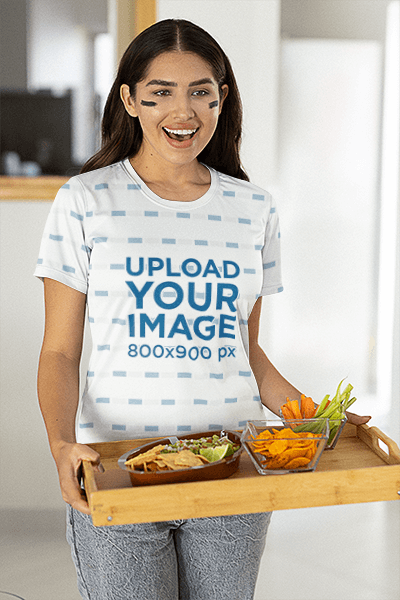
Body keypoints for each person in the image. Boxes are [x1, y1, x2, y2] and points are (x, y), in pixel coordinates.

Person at [35, 19, 370, 600]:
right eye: (160, 91)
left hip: (233, 468)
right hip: (120, 469)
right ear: (130, 101)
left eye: (201, 92)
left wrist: (317, 420)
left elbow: (246, 352)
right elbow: (60, 351)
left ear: (221, 101)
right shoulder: (85, 201)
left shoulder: (253, 208)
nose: (182, 111)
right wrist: (62, 443)